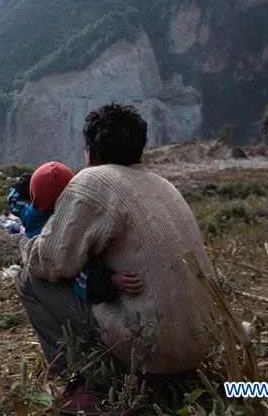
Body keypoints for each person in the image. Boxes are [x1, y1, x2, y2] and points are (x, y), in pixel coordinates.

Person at [16, 103, 216, 400]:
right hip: (199, 348)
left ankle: (91, 382)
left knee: (29, 280)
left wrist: (27, 241)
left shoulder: (91, 181)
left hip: (149, 356)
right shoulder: (164, 185)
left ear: (91, 154)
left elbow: (48, 263)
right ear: (139, 149)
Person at [14, 161, 142, 304]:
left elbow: (14, 198)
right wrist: (112, 281)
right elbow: (79, 275)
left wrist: (27, 182)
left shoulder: (29, 212)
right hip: (52, 260)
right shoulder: (65, 235)